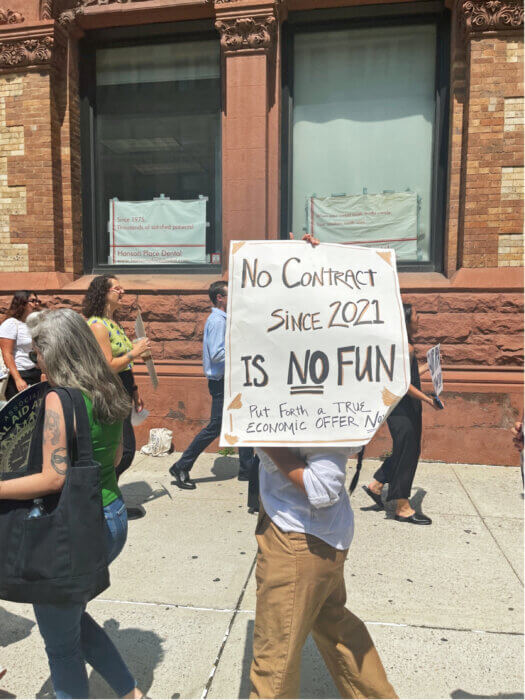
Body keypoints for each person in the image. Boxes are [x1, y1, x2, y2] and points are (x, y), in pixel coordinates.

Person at [0, 308, 143, 699]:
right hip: (111, 516)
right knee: (72, 617)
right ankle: (130, 692)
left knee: (60, 647)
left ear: (56, 351)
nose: (34, 359)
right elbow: (113, 460)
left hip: (71, 529)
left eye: (38, 350)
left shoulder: (58, 401)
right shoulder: (108, 387)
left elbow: (53, 478)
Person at [250, 446, 397, 699]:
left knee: (275, 657)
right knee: (334, 627)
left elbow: (322, 488)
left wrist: (267, 442)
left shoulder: (319, 412)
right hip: (311, 533)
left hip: (298, 539)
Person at [168, 280, 255, 490]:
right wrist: (243, 354)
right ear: (220, 297)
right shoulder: (218, 321)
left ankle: (246, 469)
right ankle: (181, 465)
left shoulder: (222, 319)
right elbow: (217, 355)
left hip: (228, 379)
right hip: (222, 381)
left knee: (243, 421)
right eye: (229, 294)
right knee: (216, 426)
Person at [363, 303, 443, 525]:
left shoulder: (403, 346)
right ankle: (402, 506)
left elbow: (408, 376)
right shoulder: (404, 348)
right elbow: (402, 385)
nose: (419, 318)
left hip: (404, 407)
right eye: (416, 314)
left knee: (405, 450)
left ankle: (377, 486)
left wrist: (428, 368)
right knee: (408, 454)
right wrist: (428, 399)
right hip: (402, 408)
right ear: (406, 320)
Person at [82, 275, 150, 482]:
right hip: (110, 393)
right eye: (117, 289)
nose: (123, 292)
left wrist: (135, 390)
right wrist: (136, 351)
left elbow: (125, 363)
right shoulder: (97, 326)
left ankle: (109, 498)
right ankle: (102, 496)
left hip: (124, 390)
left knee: (121, 452)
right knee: (124, 451)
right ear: (103, 293)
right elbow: (108, 365)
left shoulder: (113, 323)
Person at [0, 291, 42, 401]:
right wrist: (18, 379)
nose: (36, 304)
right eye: (33, 301)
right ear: (22, 303)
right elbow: (7, 354)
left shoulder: (33, 324)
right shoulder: (11, 324)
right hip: (19, 374)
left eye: (38, 301)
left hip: (35, 373)